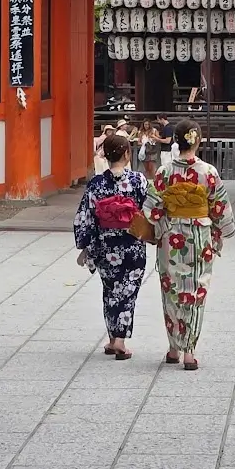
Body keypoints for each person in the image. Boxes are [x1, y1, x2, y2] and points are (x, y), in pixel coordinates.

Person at [143, 119, 234, 370]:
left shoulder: (164, 172)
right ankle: (189, 352)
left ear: (175, 141)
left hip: (171, 236)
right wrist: (218, 233)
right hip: (199, 235)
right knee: (195, 289)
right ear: (199, 141)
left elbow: (151, 208)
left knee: (170, 289)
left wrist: (162, 225)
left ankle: (173, 347)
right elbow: (219, 208)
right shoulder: (209, 172)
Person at [73, 130, 149, 358]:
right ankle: (120, 342)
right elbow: (151, 209)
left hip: (105, 246)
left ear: (105, 155)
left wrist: (85, 246)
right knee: (127, 292)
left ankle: (112, 338)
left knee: (109, 291)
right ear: (127, 153)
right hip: (132, 244)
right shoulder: (138, 181)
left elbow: (85, 217)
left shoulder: (96, 184)